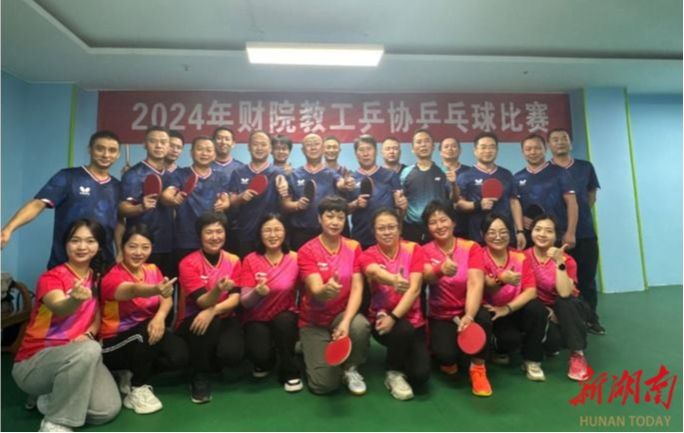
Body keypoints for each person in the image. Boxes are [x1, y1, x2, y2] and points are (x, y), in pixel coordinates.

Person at [12, 219, 121, 432]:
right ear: (65, 244)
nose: (82, 247)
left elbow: (97, 317)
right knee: (91, 349)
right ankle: (56, 422)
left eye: (90, 241)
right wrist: (74, 300)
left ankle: (51, 397)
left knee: (107, 410)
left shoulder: (97, 278)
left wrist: (89, 335)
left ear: (99, 246)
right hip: (34, 363)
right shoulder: (51, 277)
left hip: (79, 355)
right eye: (75, 240)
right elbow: (59, 306)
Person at [100, 224, 189, 414]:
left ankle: (131, 372)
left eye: (145, 247)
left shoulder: (152, 269)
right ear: (122, 247)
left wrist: (160, 317)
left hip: (145, 331)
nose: (138, 252)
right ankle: (137, 388)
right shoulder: (112, 277)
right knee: (145, 334)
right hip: (112, 342)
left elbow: (166, 299)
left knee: (179, 355)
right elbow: (133, 290)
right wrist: (155, 289)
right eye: (132, 246)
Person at [2, 131, 122, 268]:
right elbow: (38, 204)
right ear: (90, 149)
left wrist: (120, 251)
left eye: (112, 150)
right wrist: (9, 229)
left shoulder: (117, 186)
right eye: (100, 148)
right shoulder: (68, 177)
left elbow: (119, 221)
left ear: (118, 155)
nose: (106, 155)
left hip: (103, 265)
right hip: (64, 264)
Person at [297, 196, 371, 395]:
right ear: (319, 218)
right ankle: (306, 347)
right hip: (313, 321)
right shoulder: (307, 250)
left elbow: (357, 288)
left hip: (340, 315)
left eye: (340, 217)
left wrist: (345, 322)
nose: (335, 222)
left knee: (360, 326)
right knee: (323, 385)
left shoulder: (354, 246)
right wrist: (325, 291)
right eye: (330, 216)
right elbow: (315, 288)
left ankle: (351, 368)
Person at [420, 201, 493, 397]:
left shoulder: (471, 247)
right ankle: (451, 353)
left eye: (443, 220)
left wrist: (469, 315)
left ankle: (478, 368)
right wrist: (440, 270)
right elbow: (426, 277)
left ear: (453, 222)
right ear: (428, 227)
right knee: (447, 358)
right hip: (441, 314)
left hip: (467, 309)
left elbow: (476, 283)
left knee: (484, 317)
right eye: (433, 222)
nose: (439, 226)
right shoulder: (424, 250)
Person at [359, 208, 429, 400]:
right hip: (382, 322)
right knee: (403, 329)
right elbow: (373, 271)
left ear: (400, 229)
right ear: (374, 231)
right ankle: (393, 372)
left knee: (420, 375)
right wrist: (393, 280)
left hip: (412, 321)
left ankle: (404, 355)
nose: (387, 232)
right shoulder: (367, 254)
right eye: (381, 228)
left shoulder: (414, 249)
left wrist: (394, 316)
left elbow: (414, 289)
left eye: (391, 227)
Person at [175, 212, 244, 403]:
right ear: (200, 235)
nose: (215, 237)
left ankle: (212, 359)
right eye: (209, 232)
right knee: (208, 322)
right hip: (193, 319)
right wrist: (217, 290)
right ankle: (199, 374)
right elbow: (203, 302)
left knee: (232, 354)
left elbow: (235, 298)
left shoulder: (233, 260)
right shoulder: (188, 263)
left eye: (219, 231)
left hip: (223, 316)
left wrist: (214, 310)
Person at [548, 128, 605, 335]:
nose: (560, 142)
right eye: (555, 139)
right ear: (549, 145)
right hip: (555, 236)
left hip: (585, 233)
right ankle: (563, 322)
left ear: (570, 143)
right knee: (558, 280)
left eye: (563, 138)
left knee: (586, 279)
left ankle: (590, 319)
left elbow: (591, 195)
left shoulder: (585, 167)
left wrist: (579, 218)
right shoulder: (546, 170)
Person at [479, 213, 547, 381]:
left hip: (512, 308)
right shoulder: (478, 255)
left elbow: (531, 291)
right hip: (491, 312)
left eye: (503, 232)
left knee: (537, 308)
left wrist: (507, 308)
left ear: (510, 233)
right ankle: (497, 348)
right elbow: (485, 286)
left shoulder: (520, 256)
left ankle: (532, 360)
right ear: (483, 235)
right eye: (492, 232)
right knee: (510, 341)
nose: (498, 237)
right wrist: (501, 280)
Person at [239, 214, 302, 392]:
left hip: (285, 314)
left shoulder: (296, 258)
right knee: (260, 356)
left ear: (285, 232)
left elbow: (307, 291)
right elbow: (245, 302)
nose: (273, 235)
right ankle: (269, 357)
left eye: (277, 229)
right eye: (267, 230)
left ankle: (290, 371)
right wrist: (257, 293)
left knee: (285, 323)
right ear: (260, 234)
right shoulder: (250, 259)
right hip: (256, 318)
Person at [525, 215, 592, 381]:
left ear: (556, 236)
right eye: (538, 229)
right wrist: (548, 312)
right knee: (553, 340)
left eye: (549, 231)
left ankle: (577, 355)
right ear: (531, 232)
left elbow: (564, 293)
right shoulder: (523, 257)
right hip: (542, 311)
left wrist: (559, 262)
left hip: (568, 310)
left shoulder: (567, 260)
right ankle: (549, 346)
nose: (542, 234)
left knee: (565, 302)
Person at [161, 136, 231, 264]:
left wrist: (224, 204)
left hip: (212, 239)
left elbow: (225, 198)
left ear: (214, 154)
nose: (204, 153)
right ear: (191, 152)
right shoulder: (179, 174)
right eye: (200, 149)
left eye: (209, 150)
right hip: (185, 239)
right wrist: (173, 199)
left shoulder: (221, 177)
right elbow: (167, 194)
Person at [118, 127, 175, 277]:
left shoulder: (171, 176)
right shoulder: (133, 174)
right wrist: (140, 207)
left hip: (168, 244)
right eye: (153, 141)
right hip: (140, 246)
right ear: (144, 144)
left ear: (169, 145)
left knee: (165, 288)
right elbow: (122, 208)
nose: (159, 145)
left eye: (163, 142)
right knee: (141, 289)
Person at [280, 134, 352, 250]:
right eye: (309, 145)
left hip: (327, 233)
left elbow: (341, 183)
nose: (313, 147)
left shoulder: (332, 174)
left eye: (316, 144)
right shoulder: (293, 175)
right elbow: (285, 204)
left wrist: (346, 183)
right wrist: (297, 205)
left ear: (323, 148)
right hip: (300, 234)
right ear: (303, 150)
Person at [456, 132, 525, 248]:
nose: (488, 151)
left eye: (492, 147)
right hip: (477, 236)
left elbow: (514, 202)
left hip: (504, 235)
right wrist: (478, 205)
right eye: (483, 147)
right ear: (475, 150)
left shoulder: (506, 174)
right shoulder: (464, 176)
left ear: (497, 150)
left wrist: (520, 231)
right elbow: (459, 204)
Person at [228, 131, 286, 258]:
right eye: (255, 144)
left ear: (270, 148)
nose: (259, 148)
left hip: (271, 234)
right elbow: (231, 201)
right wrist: (240, 198)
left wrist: (284, 188)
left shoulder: (278, 173)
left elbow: (285, 200)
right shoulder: (238, 172)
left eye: (263, 144)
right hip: (245, 232)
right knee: (247, 267)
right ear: (249, 147)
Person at [514, 134, 578, 249]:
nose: (533, 152)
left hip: (557, 235)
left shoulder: (561, 173)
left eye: (537, 148)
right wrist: (520, 220)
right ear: (522, 152)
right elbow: (515, 205)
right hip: (529, 236)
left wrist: (570, 232)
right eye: (528, 149)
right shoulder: (517, 177)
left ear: (545, 149)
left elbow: (572, 203)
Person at [347, 134, 407, 249]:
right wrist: (355, 204)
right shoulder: (350, 180)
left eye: (369, 149)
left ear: (375, 151)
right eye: (361, 150)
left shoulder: (390, 175)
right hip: (360, 239)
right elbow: (345, 210)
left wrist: (403, 206)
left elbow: (400, 212)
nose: (365, 153)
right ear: (356, 154)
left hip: (387, 239)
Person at [400, 129, 454, 244]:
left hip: (438, 228)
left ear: (433, 146)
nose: (423, 145)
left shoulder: (444, 171)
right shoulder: (405, 172)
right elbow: (401, 201)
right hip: (411, 228)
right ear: (412, 148)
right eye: (419, 142)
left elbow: (453, 198)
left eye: (426, 141)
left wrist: (454, 184)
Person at [211, 127, 244, 256]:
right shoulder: (204, 166)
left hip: (235, 226)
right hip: (210, 225)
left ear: (233, 143)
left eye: (227, 139)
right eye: (219, 138)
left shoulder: (241, 168)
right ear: (213, 141)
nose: (223, 142)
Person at [440, 136, 471, 238]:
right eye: (446, 146)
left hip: (464, 225)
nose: (450, 149)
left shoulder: (469, 172)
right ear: (440, 152)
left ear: (460, 150)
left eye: (454, 146)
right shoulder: (434, 171)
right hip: (440, 226)